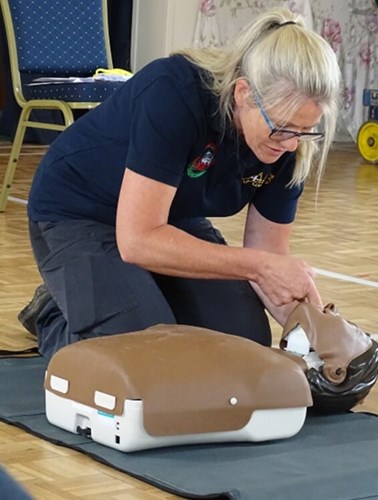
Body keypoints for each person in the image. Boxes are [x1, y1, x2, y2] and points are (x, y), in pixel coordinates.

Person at [18, 8, 341, 359]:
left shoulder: (289, 139)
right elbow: (137, 240)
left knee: (244, 343)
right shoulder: (173, 91)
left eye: (305, 130)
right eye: (282, 127)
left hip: (167, 218)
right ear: (244, 93)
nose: (291, 143)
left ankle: (126, 294)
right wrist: (260, 266)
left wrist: (315, 335)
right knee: (146, 353)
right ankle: (55, 313)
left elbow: (269, 259)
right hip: (78, 213)